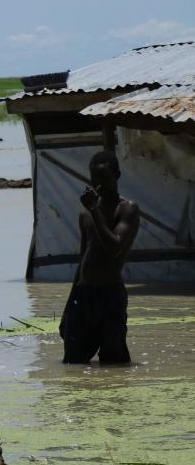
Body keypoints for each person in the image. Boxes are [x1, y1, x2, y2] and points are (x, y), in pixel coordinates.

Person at [60, 150, 140, 364]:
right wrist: (68, 308)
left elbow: (114, 248)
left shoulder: (127, 209)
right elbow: (83, 260)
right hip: (83, 295)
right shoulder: (85, 214)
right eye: (95, 178)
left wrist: (95, 209)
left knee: (113, 363)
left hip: (110, 296)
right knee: (73, 362)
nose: (99, 183)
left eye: (104, 177)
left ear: (117, 176)